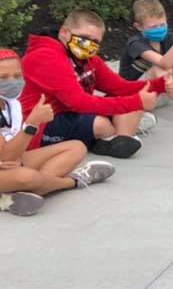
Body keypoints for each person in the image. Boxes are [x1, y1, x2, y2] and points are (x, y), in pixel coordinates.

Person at [19, 9, 168, 159]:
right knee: (102, 124)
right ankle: (115, 135)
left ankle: (118, 138)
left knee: (129, 98)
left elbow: (119, 87)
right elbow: (79, 103)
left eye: (95, 41)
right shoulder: (46, 57)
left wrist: (160, 85)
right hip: (42, 122)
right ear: (64, 32)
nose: (89, 44)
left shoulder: (85, 57)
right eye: (84, 38)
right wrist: (136, 102)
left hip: (71, 113)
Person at [1, 49, 113, 215]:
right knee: (27, 177)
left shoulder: (12, 104)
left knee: (76, 147)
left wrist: (13, 158)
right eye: (3, 78)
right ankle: (73, 181)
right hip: (6, 162)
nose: (13, 82)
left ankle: (20, 194)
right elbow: (6, 157)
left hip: (7, 163)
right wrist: (32, 123)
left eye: (18, 76)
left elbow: (12, 154)